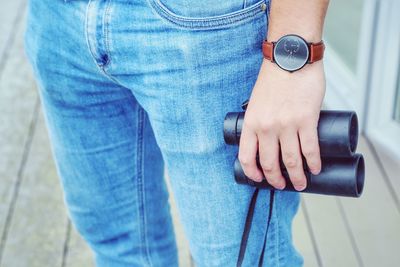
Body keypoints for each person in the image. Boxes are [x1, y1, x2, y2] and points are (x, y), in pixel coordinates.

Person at [24, 0, 329, 266]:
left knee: (239, 259)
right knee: (119, 246)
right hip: (57, 19)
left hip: (205, 23)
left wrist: (293, 53)